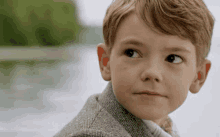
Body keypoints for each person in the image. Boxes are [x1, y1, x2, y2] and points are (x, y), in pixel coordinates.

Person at [54, 0, 215, 136]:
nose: (152, 72)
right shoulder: (92, 134)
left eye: (173, 58)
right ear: (106, 62)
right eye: (132, 53)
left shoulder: (161, 125)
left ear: (198, 75)